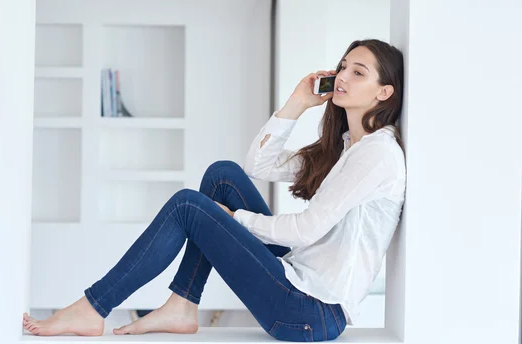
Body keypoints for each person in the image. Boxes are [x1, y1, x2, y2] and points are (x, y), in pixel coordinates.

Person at [23, 39, 406, 342]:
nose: (342, 76)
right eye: (342, 67)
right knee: (222, 176)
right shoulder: (346, 148)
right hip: (298, 284)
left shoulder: (376, 155)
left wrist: (235, 219)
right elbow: (257, 166)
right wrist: (297, 103)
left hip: (311, 312)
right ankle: (183, 304)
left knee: (188, 205)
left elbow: (305, 229)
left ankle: (94, 307)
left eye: (358, 72)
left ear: (384, 92)